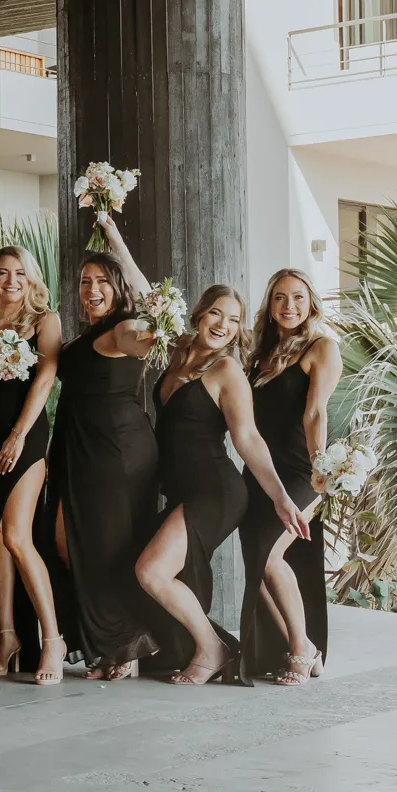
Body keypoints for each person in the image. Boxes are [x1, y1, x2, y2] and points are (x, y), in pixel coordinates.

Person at [136, 285, 309, 685]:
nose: (223, 326)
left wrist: (280, 496)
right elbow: (150, 294)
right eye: (216, 314)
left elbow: (247, 438)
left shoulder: (226, 370)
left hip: (216, 491)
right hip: (182, 490)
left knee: (152, 571)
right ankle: (179, 647)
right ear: (198, 315)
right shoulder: (177, 352)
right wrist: (115, 244)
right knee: (144, 569)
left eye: (234, 320)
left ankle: (212, 649)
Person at [47, 215, 163, 681]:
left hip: (114, 451)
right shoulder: (86, 333)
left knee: (103, 547)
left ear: (118, 288)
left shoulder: (123, 328)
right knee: (68, 543)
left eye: (101, 281)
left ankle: (124, 645)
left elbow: (154, 326)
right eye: (84, 281)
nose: (91, 289)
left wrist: (116, 237)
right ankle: (112, 644)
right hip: (79, 447)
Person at [0, 246, 64, 685]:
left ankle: (52, 640)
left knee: (18, 536)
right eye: (2, 273)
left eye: (19, 273)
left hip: (27, 435)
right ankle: (5, 637)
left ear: (31, 277)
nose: (11, 281)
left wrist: (19, 434)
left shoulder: (46, 321)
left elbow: (45, 378)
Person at [240, 269, 340, 684]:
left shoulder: (321, 348)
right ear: (270, 304)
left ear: (310, 302)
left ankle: (301, 647)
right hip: (259, 472)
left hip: (302, 471)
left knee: (269, 556)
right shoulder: (257, 352)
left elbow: (315, 413)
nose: (289, 306)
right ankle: (300, 646)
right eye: (280, 297)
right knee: (256, 565)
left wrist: (322, 471)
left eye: (298, 297)